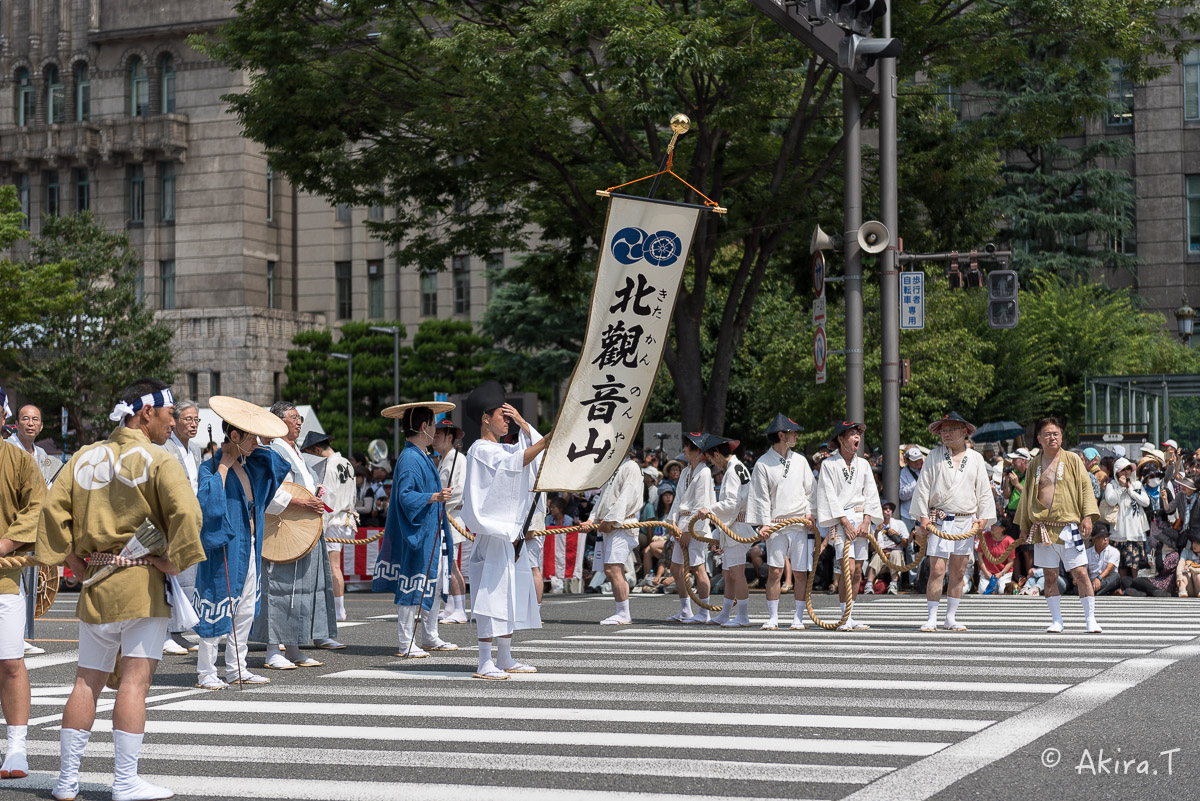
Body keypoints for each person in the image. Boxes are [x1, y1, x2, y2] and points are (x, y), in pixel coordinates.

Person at [36, 378, 204, 801]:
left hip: (95, 580)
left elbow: (52, 512)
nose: (171, 424)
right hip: (141, 582)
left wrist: (72, 560)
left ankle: (66, 780)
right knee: (134, 684)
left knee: (85, 682)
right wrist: (175, 559)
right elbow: (187, 511)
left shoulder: (84, 457)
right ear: (146, 413)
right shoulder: (158, 459)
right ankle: (125, 781)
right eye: (168, 416)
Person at [193, 397, 291, 690]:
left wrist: (260, 440)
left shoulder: (252, 464)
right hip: (223, 545)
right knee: (216, 604)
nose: (255, 441)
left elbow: (278, 464)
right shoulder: (209, 467)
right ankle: (206, 672)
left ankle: (237, 667)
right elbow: (208, 504)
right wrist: (223, 462)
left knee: (245, 608)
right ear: (234, 435)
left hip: (249, 544)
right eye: (249, 435)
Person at [460, 382, 549, 679]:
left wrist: (525, 424)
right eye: (503, 414)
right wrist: (546, 440)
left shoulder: (500, 448)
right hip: (493, 535)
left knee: (510, 593)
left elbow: (525, 456)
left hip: (510, 534)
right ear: (486, 418)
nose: (507, 419)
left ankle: (505, 655)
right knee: (490, 596)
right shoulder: (480, 449)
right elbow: (515, 463)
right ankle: (485, 660)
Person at [252, 402, 340, 670]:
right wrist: (302, 503)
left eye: (299, 418)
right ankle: (271, 649)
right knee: (279, 587)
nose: (299, 422)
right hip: (281, 527)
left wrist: (316, 493)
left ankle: (293, 646)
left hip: (302, 527)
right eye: (293, 418)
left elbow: (303, 486)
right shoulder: (272, 451)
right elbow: (270, 491)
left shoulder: (295, 453)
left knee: (301, 588)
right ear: (278, 422)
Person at [374, 401, 458, 658]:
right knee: (413, 585)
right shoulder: (411, 457)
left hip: (430, 531)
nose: (435, 429)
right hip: (419, 532)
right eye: (433, 424)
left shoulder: (419, 455)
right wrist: (434, 496)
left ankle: (429, 635)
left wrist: (434, 497)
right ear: (425, 426)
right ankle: (406, 642)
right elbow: (405, 497)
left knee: (431, 583)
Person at [1014, 417, 1101, 634]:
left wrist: (1088, 516)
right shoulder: (1034, 463)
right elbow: (1026, 497)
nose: (1052, 437)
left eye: (1056, 434)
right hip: (1042, 527)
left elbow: (1085, 487)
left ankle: (1090, 619)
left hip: (1068, 526)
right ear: (1039, 439)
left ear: (1061, 436)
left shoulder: (1072, 459)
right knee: (1050, 575)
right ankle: (1056, 620)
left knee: (1080, 572)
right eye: (1048, 434)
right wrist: (1024, 526)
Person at [910, 412, 995, 632]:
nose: (946, 434)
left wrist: (983, 518)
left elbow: (984, 491)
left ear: (964, 432)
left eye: (951, 430)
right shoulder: (934, 456)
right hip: (941, 519)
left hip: (966, 521)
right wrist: (923, 517)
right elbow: (923, 487)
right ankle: (931, 617)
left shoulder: (976, 458)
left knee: (958, 571)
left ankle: (951, 617)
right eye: (943, 430)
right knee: (937, 569)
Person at [0, 388, 46, 780]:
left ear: (4, 416)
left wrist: (6, 542)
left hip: (3, 579)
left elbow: (37, 508)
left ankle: (15, 746)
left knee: (11, 664)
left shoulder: (16, 459)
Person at [746, 414, 815, 630]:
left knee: (800, 572)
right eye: (793, 432)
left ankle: (799, 617)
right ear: (781, 435)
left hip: (799, 522)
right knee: (775, 570)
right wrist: (763, 523)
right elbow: (760, 496)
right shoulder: (763, 463)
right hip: (775, 523)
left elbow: (811, 491)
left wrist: (810, 513)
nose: (796, 435)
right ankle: (773, 616)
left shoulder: (801, 460)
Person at [813, 421, 882, 632]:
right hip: (841, 518)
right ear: (841, 440)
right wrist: (843, 521)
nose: (856, 438)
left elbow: (871, 492)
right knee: (847, 567)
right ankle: (844, 615)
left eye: (857, 434)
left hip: (861, 517)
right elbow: (829, 496)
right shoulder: (829, 464)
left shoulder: (863, 464)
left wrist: (867, 520)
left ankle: (851, 615)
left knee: (858, 570)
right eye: (852, 434)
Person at [301, 431, 356, 623]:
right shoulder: (347, 463)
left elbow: (327, 498)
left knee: (333, 566)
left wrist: (320, 525)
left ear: (317, 449)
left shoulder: (329, 466)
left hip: (333, 519)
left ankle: (338, 609)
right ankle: (338, 608)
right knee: (335, 565)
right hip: (346, 516)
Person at [698, 435, 752, 627]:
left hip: (738, 526)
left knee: (737, 573)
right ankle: (725, 613)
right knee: (728, 574)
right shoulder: (736, 467)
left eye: (711, 459)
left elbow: (731, 503)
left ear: (717, 454)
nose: (712, 463)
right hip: (735, 525)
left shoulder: (733, 470)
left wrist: (710, 509)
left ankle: (743, 616)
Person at [162, 399, 202, 656]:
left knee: (188, 579)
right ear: (174, 421)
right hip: (171, 519)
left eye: (196, 420)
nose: (193, 424)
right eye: (188, 419)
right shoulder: (164, 448)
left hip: (191, 519)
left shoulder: (196, 450)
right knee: (168, 577)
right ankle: (164, 632)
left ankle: (178, 631)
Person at [664, 432, 716, 624]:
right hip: (682, 523)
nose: (684, 450)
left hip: (696, 526)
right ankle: (686, 609)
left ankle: (704, 611)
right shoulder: (686, 471)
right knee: (676, 568)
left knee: (697, 568)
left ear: (697, 450)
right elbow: (678, 499)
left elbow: (701, 504)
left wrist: (687, 530)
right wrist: (672, 522)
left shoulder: (704, 472)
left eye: (687, 446)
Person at [591, 450, 644, 625]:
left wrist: (611, 519)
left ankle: (623, 613)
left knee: (613, 569)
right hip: (610, 524)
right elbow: (603, 497)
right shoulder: (613, 467)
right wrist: (591, 519)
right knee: (612, 569)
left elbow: (626, 497)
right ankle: (622, 611)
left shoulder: (631, 466)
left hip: (622, 524)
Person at [433, 418, 470, 624]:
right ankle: (450, 606)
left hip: (452, 515)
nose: (434, 439)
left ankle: (460, 609)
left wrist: (438, 506)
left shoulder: (458, 459)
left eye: (438, 435)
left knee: (452, 563)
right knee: (445, 564)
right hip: (444, 515)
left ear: (449, 437)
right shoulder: (444, 459)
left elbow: (458, 492)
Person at [1104, 457, 1150, 577]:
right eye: (1123, 470)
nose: (1126, 473)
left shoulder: (1137, 484)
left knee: (1136, 565)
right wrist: (1121, 488)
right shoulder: (1112, 485)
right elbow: (1110, 500)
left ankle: (1136, 586)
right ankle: (1121, 588)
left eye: (1128, 469)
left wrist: (1130, 490)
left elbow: (1146, 502)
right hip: (1118, 533)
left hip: (1136, 532)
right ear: (1116, 472)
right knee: (1121, 565)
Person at [5, 404, 59, 486]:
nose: (30, 423)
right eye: (25, 419)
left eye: (35, 419)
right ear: (17, 424)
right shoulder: (5, 446)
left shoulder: (42, 453)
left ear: (41, 426)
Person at [865, 500, 908, 595]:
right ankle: (869, 584)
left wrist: (897, 534)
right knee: (877, 555)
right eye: (885, 509)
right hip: (881, 552)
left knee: (896, 554)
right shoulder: (873, 527)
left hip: (895, 551)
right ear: (881, 511)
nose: (888, 510)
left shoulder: (899, 524)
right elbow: (872, 549)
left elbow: (905, 544)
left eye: (890, 509)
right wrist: (876, 532)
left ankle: (893, 584)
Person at [977, 521, 1016, 595]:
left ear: (1002, 529)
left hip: (1003, 573)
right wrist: (986, 572)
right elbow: (980, 556)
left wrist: (1001, 574)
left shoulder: (1010, 541)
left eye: (995, 524)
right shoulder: (985, 536)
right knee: (982, 590)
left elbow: (1011, 561)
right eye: (992, 523)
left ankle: (1011, 585)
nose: (992, 526)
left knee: (1002, 591)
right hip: (987, 572)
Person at [1085, 523, 1121, 597]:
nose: (1105, 539)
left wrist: (1098, 578)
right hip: (1091, 582)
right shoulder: (1087, 552)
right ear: (1094, 540)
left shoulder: (1114, 551)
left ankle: (1091, 592)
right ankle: (1100, 591)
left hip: (1105, 580)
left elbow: (1109, 568)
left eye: (1107, 536)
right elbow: (1085, 570)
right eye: (1102, 537)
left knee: (1116, 576)